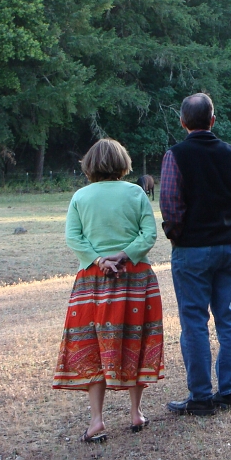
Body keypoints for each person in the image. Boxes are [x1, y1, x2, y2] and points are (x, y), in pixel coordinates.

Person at [160, 92, 231, 415]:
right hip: (227, 247)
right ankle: (230, 392)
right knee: (228, 319)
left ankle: (201, 398)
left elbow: (170, 204)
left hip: (191, 250)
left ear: (182, 122)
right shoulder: (229, 152)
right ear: (213, 120)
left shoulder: (175, 155)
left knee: (194, 322)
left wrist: (177, 235)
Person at [53, 138, 165, 443]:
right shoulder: (136, 192)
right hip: (136, 278)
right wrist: (125, 255)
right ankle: (135, 413)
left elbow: (73, 237)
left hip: (93, 281)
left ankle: (97, 421)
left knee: (94, 345)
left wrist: (99, 259)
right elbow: (150, 233)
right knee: (135, 341)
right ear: (123, 163)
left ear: (89, 165)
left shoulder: (80, 197)